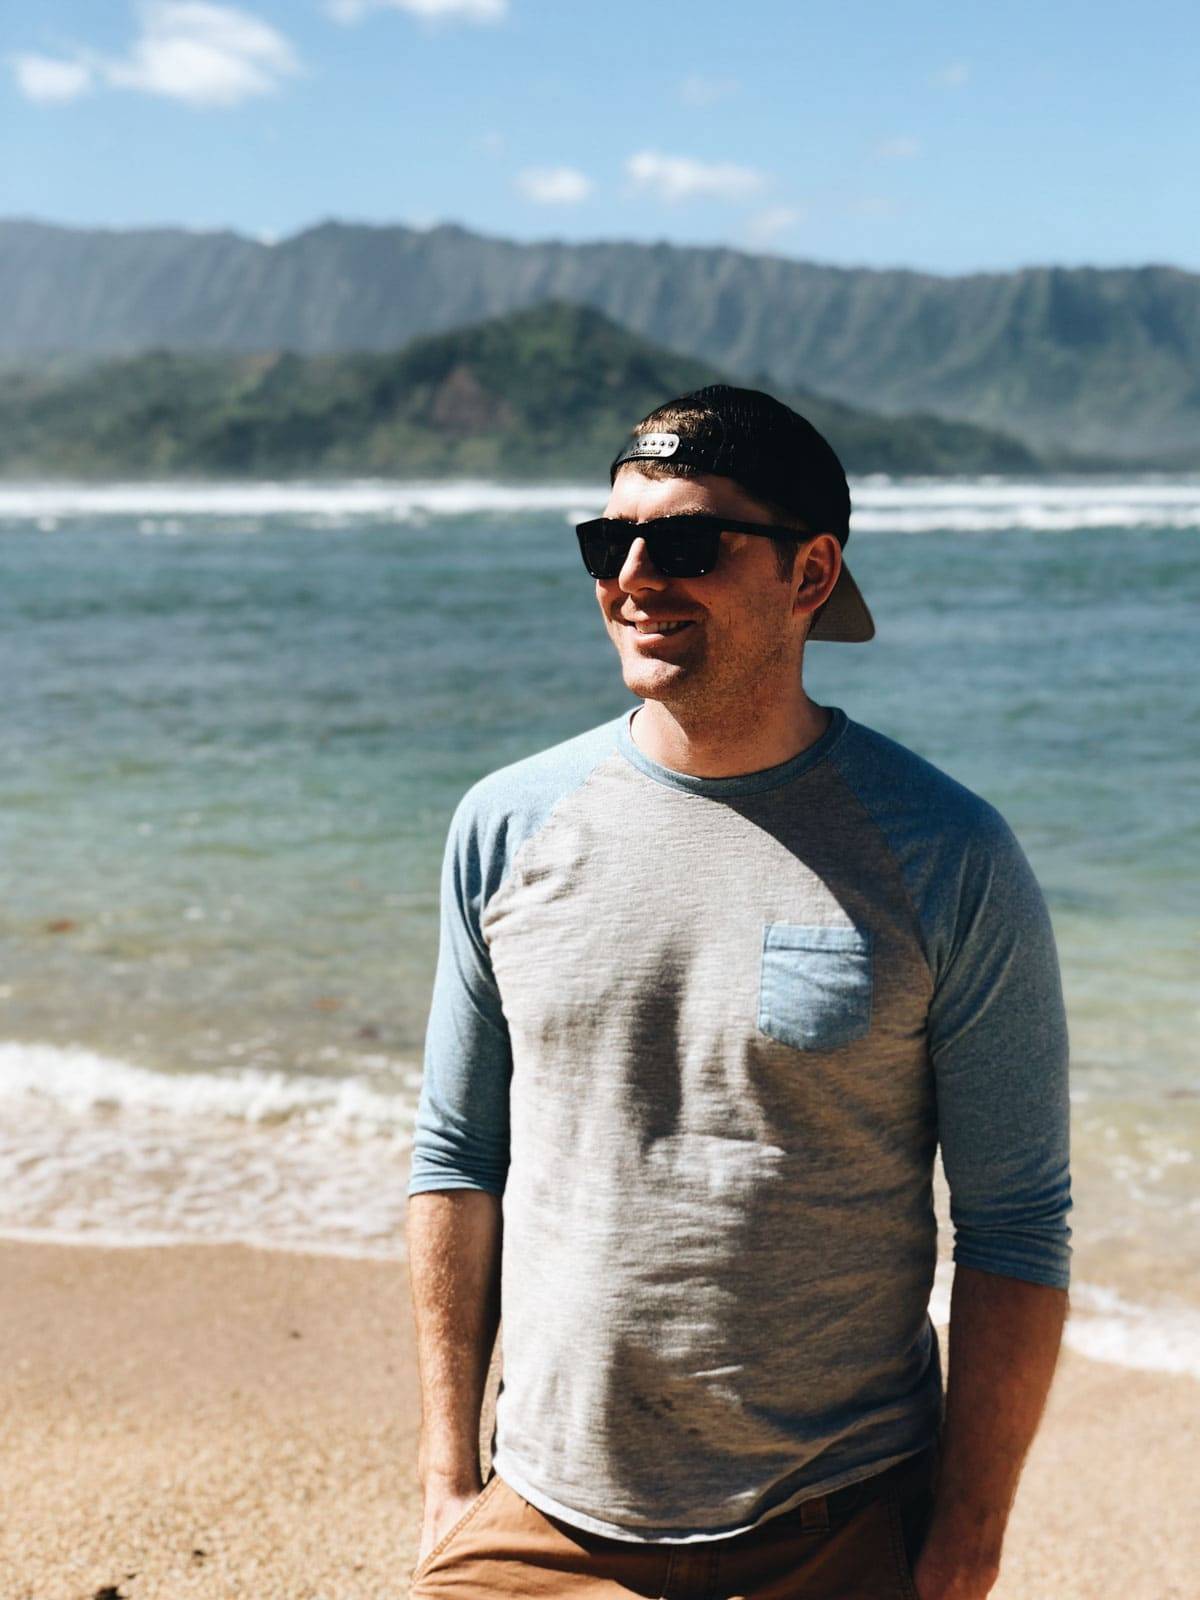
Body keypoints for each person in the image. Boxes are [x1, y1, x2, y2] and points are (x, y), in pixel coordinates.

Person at [405, 385, 1071, 1599]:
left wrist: (966, 1543)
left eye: (688, 542)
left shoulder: (948, 855)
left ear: (810, 574)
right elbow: (457, 1156)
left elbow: (1016, 1221)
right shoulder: (504, 826)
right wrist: (449, 1476)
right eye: (609, 542)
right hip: (540, 1511)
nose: (636, 577)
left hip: (835, 1519)